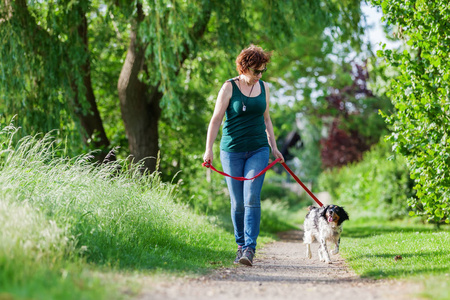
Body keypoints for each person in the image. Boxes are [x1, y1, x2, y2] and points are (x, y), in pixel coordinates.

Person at [203, 44, 285, 266]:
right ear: (244, 67)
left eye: (262, 71)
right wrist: (208, 149)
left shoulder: (264, 88)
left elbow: (267, 119)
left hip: (258, 149)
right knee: (237, 202)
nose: (260, 75)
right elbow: (216, 119)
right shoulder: (229, 87)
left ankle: (250, 248)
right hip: (232, 151)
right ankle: (240, 245)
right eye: (256, 71)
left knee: (251, 197)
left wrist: (274, 147)